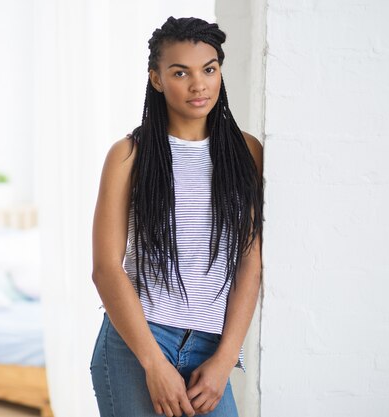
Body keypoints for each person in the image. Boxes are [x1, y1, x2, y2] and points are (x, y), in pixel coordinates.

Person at [90, 16, 263, 417]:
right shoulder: (128, 155)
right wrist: (153, 363)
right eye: (180, 72)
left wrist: (225, 359)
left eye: (209, 69)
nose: (198, 84)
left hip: (210, 345)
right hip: (137, 342)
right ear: (156, 79)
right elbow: (105, 268)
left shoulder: (247, 153)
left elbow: (249, 262)